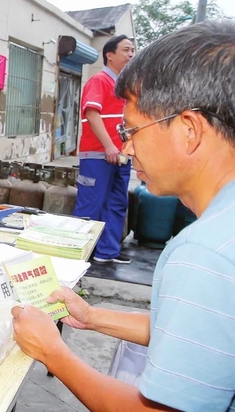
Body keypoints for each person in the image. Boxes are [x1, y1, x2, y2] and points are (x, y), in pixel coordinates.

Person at [12, 20, 235, 411]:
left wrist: (53, 351)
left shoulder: (204, 255)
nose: (127, 149)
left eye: (131, 131)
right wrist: (93, 317)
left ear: (189, 130)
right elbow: (195, 332)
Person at [73, 34, 135, 264]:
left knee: (117, 203)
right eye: (126, 50)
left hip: (120, 155)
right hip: (98, 155)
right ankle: (77, 255)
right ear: (109, 55)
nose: (131, 54)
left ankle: (106, 253)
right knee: (91, 204)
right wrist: (109, 146)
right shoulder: (99, 81)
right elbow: (92, 113)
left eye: (132, 50)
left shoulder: (123, 87)